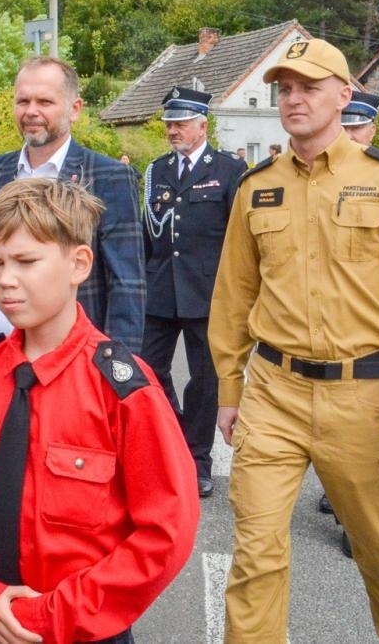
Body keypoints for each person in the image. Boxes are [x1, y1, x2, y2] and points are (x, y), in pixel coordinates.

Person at [209, 37, 379, 644]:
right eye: (285, 89)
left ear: (344, 95)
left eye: (308, 88)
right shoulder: (256, 186)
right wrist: (229, 389)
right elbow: (233, 296)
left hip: (363, 398)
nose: (293, 99)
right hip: (273, 394)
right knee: (256, 554)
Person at [0, 177, 198, 643]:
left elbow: (165, 530)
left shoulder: (121, 389)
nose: (5, 279)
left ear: (78, 264)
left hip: (82, 629)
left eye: (26, 262)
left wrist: (49, 615)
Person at [0, 56, 147, 420]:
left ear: (74, 109)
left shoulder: (109, 177)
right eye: (23, 101)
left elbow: (127, 286)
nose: (31, 111)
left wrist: (115, 378)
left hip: (68, 363)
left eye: (45, 101)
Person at [140, 87, 245, 499]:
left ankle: (198, 458)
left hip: (207, 291)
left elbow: (238, 239)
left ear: (203, 125)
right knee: (146, 369)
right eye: (169, 123)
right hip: (161, 289)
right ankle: (176, 434)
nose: (172, 130)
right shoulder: (156, 170)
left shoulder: (229, 170)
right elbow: (147, 235)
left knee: (205, 380)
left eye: (180, 123)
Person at [318, 86, 379, 534]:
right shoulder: (315, 176)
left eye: (357, 128)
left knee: (364, 431)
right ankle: (335, 489)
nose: (350, 135)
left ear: (372, 130)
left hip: (370, 328)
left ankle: (356, 520)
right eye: (344, 127)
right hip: (320, 319)